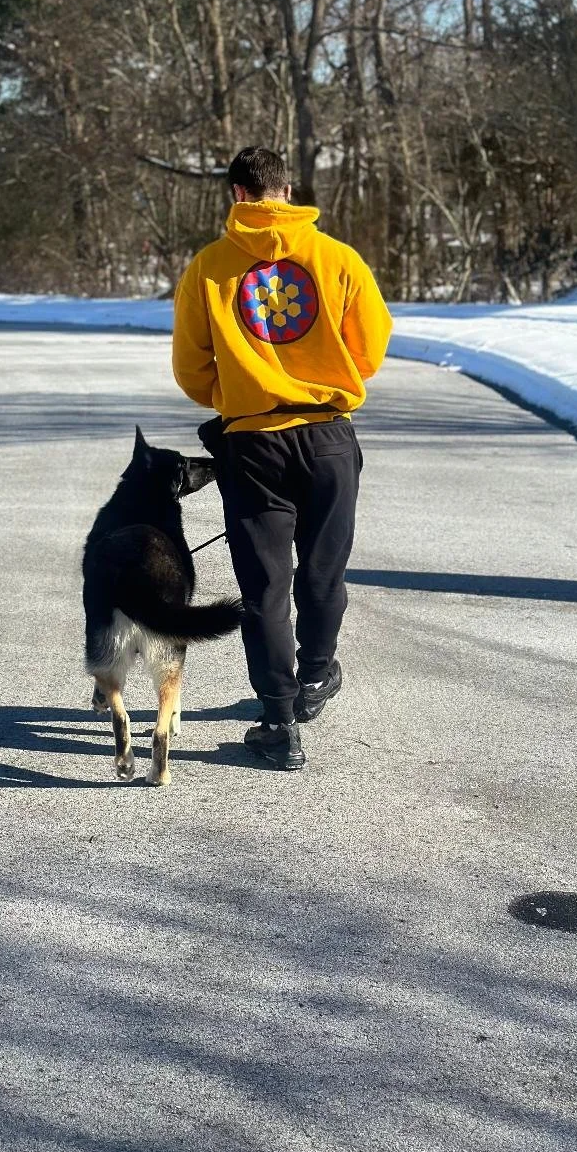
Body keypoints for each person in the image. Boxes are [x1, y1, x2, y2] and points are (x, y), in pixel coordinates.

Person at [172, 146, 392, 771]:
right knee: (324, 571)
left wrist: (239, 397)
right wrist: (333, 379)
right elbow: (371, 344)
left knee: (264, 585)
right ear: (287, 191)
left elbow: (191, 366)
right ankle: (317, 676)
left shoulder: (209, 268)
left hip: (252, 443)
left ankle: (278, 719)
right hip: (327, 433)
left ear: (238, 194)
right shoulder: (337, 259)